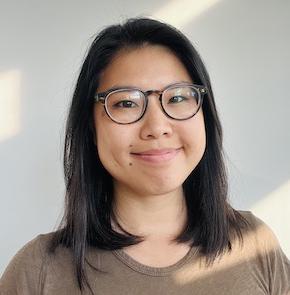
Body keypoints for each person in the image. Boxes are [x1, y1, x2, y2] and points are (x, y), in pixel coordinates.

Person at [0, 17, 289, 295]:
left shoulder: (254, 246)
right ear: (91, 126)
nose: (157, 127)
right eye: (126, 103)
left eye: (177, 97)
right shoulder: (37, 271)